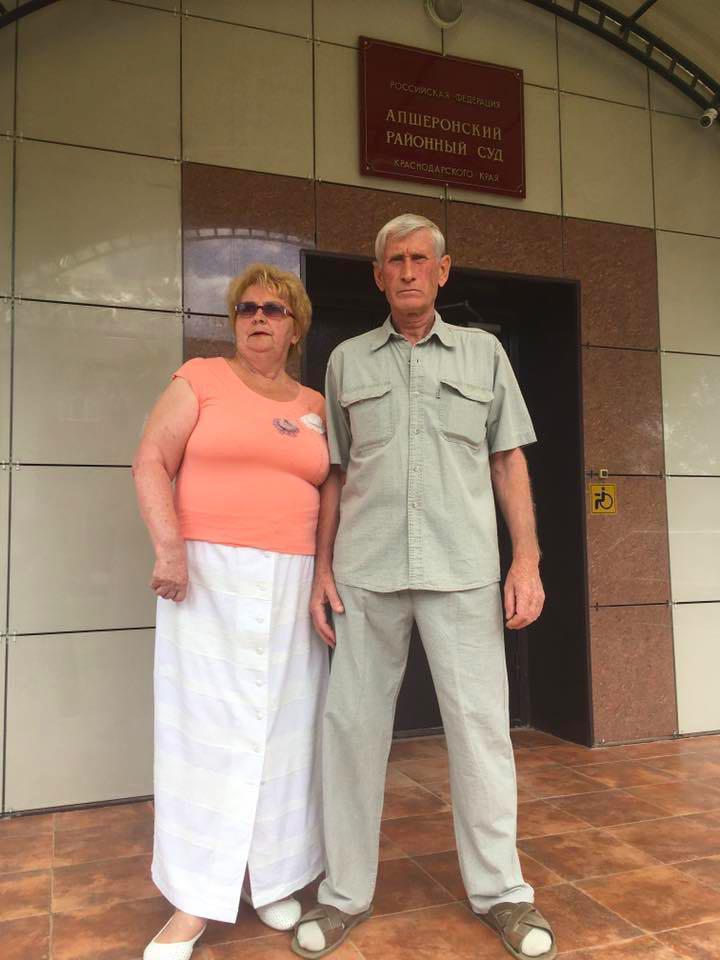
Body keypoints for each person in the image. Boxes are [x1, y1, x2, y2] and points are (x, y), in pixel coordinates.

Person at [292, 215, 556, 960]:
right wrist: (320, 568)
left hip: (462, 572)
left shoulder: (484, 354)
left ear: (443, 271)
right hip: (365, 574)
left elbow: (508, 461)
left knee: (480, 735)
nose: (407, 271)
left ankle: (503, 893)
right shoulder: (346, 360)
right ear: (378, 276)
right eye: (394, 261)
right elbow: (335, 473)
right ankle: (344, 894)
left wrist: (527, 560)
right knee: (350, 734)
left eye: (419, 260)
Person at [133, 264, 330, 960]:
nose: (259, 318)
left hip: (292, 580)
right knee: (205, 731)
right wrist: (169, 548)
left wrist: (323, 574)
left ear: (295, 327)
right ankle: (193, 900)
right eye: (247, 308)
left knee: (286, 729)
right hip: (208, 577)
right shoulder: (201, 380)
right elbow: (150, 461)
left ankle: (271, 875)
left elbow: (332, 493)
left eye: (274, 309)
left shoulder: (314, 403)